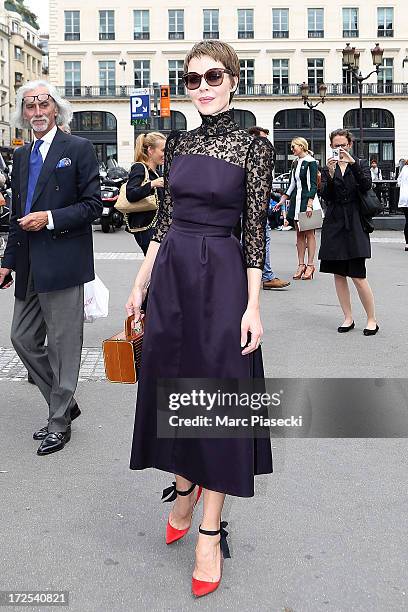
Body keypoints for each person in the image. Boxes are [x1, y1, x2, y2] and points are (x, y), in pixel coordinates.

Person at [126, 40, 273, 597]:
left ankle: (208, 530)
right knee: (176, 389)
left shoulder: (251, 145)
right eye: (192, 79)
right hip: (173, 279)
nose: (203, 86)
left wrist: (254, 305)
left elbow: (255, 232)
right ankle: (183, 490)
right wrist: (139, 287)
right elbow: (162, 225)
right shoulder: (180, 142)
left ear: (233, 79)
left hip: (224, 279)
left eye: (214, 76)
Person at [0, 80, 102, 454]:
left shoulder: (79, 148)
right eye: (30, 106)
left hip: (63, 261)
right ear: (23, 114)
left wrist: (50, 218)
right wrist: (6, 262)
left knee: (62, 347)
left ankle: (58, 420)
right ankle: (66, 402)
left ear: (56, 109)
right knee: (22, 338)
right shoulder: (22, 155)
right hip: (28, 263)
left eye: (44, 104)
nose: (37, 111)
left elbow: (93, 206)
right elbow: (15, 214)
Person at [318, 128, 379, 335]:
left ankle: (371, 319)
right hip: (334, 222)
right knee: (338, 273)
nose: (340, 149)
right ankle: (348, 317)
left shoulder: (359, 164)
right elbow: (326, 195)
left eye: (343, 145)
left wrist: (352, 166)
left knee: (358, 274)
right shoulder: (328, 168)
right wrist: (330, 173)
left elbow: (366, 185)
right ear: (331, 147)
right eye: (336, 146)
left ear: (350, 145)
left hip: (354, 222)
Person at [247, 126, 290, 290]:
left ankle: (259, 275)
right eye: (263, 139)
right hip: (254, 207)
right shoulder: (255, 157)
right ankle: (266, 276)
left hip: (255, 206)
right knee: (261, 239)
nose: (266, 143)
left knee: (255, 239)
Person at [279, 137, 321, 280]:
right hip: (297, 201)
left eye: (293, 147)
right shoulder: (296, 162)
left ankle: (310, 265)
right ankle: (301, 264)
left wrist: (309, 204)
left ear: (302, 146)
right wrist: (283, 200)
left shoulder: (310, 162)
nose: (292, 150)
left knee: (309, 233)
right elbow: (292, 183)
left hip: (307, 201)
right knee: (299, 234)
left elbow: (313, 184)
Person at [125, 132, 165, 255]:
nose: (165, 154)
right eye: (163, 150)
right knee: (155, 266)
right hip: (146, 228)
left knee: (157, 267)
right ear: (150, 150)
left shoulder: (156, 173)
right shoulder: (139, 168)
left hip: (155, 227)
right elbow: (131, 194)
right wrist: (152, 184)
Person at [397, 159, 408, 251]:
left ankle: (407, 243)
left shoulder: (404, 168)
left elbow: (399, 182)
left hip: (404, 199)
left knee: (407, 221)